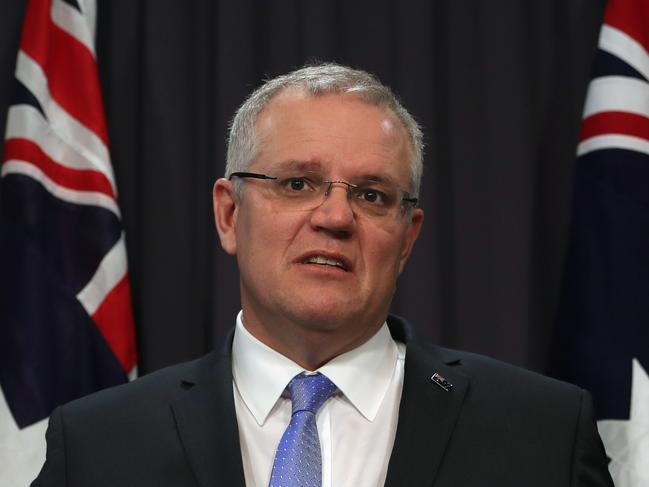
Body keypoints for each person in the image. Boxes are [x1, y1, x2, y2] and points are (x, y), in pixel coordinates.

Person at [32, 63, 613, 486]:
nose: (335, 217)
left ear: (407, 237)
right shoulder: (95, 448)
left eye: (371, 194)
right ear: (230, 214)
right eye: (297, 183)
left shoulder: (543, 434)